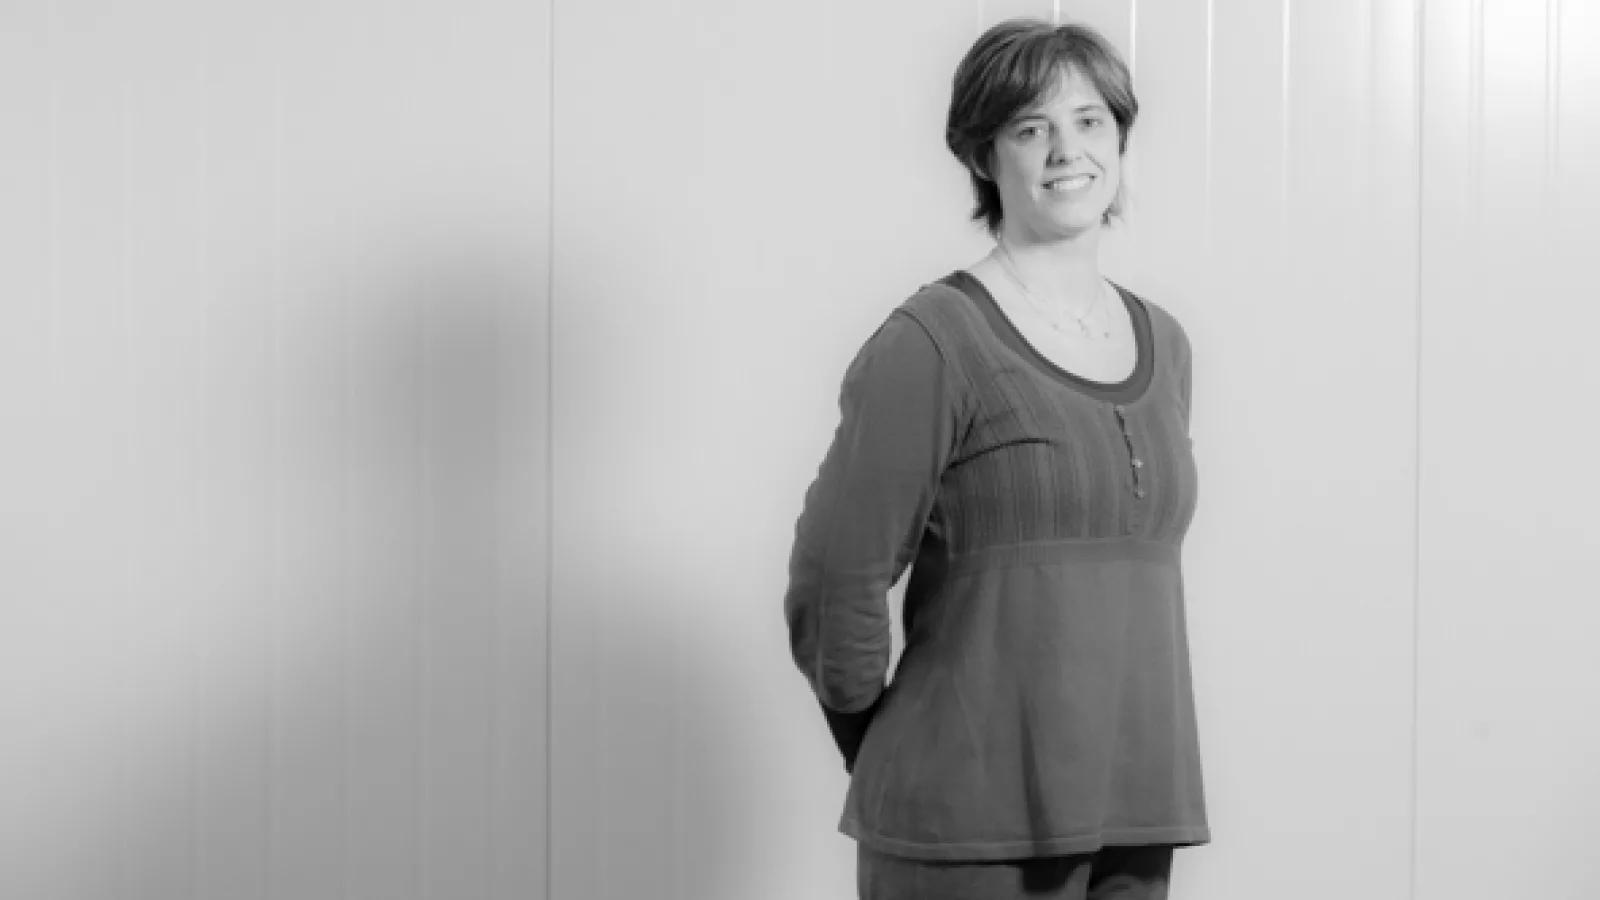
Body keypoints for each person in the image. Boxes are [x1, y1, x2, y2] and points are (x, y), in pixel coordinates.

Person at [781, 18, 1208, 900]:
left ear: (1119, 138)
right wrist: (884, 744)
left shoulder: (1164, 343)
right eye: (1030, 128)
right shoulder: (932, 341)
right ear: (984, 154)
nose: (1066, 150)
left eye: (1089, 121)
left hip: (1135, 820)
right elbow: (833, 579)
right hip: (964, 830)